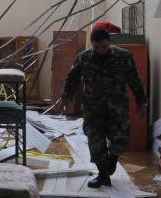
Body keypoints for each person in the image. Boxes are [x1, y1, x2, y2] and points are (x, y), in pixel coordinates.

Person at [58, 28, 147, 188]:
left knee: (121, 138)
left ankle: (112, 159)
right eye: (96, 47)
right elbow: (72, 79)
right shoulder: (83, 58)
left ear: (109, 43)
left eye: (104, 47)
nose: (100, 51)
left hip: (117, 107)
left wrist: (141, 101)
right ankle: (103, 176)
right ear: (92, 45)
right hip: (93, 108)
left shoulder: (124, 56)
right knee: (95, 141)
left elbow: (135, 79)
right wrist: (66, 97)